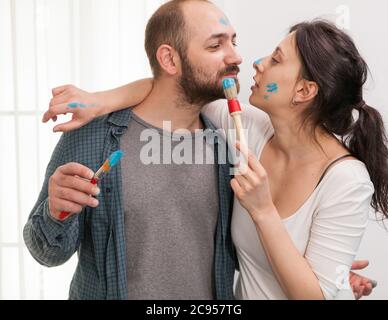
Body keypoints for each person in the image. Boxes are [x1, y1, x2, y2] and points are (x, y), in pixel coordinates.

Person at [43, 18, 388, 299]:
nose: (255, 61)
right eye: (215, 44)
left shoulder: (345, 178)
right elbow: (173, 87)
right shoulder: (246, 129)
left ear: (304, 91)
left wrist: (266, 213)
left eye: (277, 59)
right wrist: (99, 101)